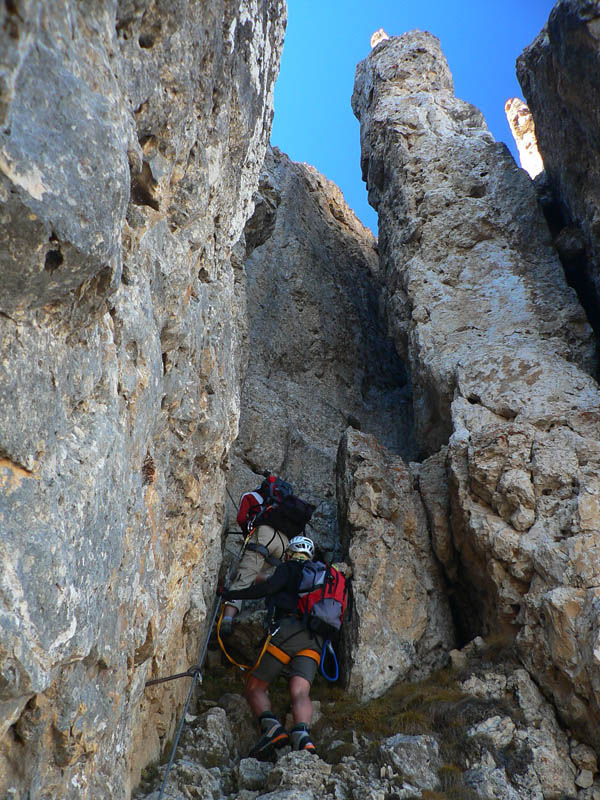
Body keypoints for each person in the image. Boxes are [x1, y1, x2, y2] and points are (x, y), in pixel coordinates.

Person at [220, 535, 321, 758]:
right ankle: (303, 736)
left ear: (289, 553)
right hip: (315, 639)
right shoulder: (321, 574)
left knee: (254, 687)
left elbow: (266, 588)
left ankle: (273, 729)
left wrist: (231, 594)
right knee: (300, 691)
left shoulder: (288, 568)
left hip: (288, 631)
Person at [221, 487, 289, 635]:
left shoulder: (250, 496)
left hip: (265, 535)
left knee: (243, 578)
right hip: (284, 542)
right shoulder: (283, 506)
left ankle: (226, 620)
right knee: (253, 574)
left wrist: (248, 534)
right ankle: (271, 579)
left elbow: (241, 518)